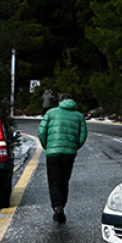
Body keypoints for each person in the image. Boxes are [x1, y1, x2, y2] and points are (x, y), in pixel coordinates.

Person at [38, 92, 87, 223]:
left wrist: (47, 146)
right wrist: (74, 147)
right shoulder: (79, 116)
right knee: (64, 181)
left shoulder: (50, 113)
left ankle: (57, 207)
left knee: (54, 182)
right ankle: (62, 205)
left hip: (52, 153)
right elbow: (83, 136)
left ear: (59, 102)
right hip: (69, 154)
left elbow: (41, 131)